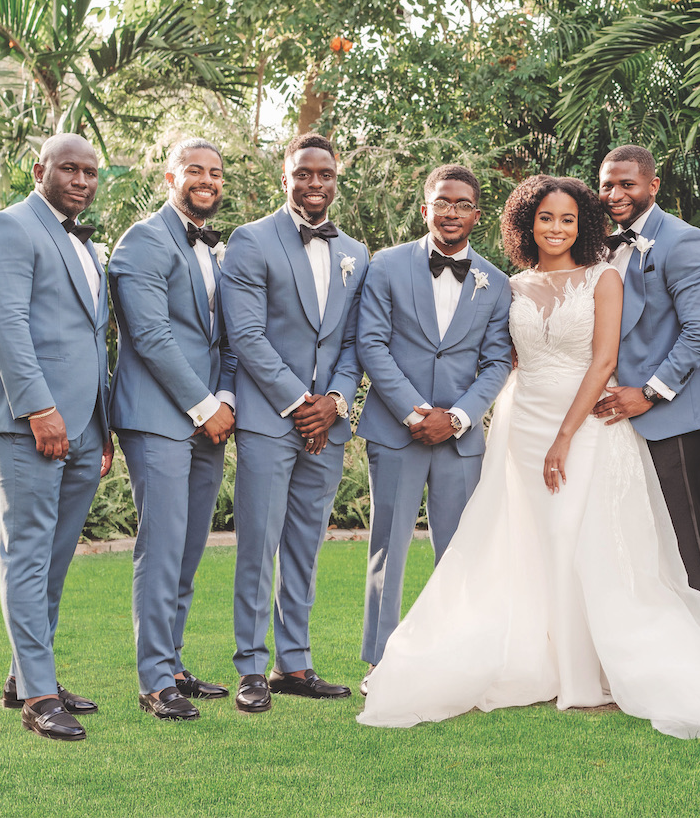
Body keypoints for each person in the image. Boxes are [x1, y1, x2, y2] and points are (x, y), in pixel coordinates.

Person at [357, 175, 700, 739]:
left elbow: (603, 361)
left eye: (567, 219)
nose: (556, 228)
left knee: (580, 536)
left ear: (582, 225)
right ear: (525, 223)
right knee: (526, 538)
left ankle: (592, 666)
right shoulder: (508, 285)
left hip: (585, 424)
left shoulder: (603, 279)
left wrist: (564, 435)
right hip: (520, 420)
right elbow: (500, 355)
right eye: (545, 218)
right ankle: (536, 659)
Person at [0, 133, 114, 741]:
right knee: (28, 552)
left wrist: (99, 428)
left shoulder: (81, 240)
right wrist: (40, 410)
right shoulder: (7, 229)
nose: (81, 180)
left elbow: (89, 341)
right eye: (70, 169)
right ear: (40, 170)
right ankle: (37, 696)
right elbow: (8, 327)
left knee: (54, 557)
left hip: (84, 426)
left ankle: (25, 675)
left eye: (90, 172)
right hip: (28, 422)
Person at [219, 132, 367, 712]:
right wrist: (298, 402)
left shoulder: (356, 251)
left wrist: (334, 400)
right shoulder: (250, 241)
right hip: (268, 420)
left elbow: (356, 340)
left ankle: (295, 664)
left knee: (305, 545)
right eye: (304, 173)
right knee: (258, 545)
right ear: (286, 177)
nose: (315, 183)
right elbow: (246, 336)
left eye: (325, 175)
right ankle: (251, 669)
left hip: (326, 425)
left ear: (335, 181)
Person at [356, 165, 512, 695]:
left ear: (476, 214)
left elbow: (496, 362)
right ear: (425, 208)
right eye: (442, 202)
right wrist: (415, 412)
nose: (451, 212)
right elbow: (371, 343)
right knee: (389, 547)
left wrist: (460, 416)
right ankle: (380, 662)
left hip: (461, 438)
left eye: (462, 204)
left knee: (460, 551)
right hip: (396, 429)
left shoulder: (497, 283)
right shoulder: (387, 265)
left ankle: (457, 659)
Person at [108, 138, 237, 720]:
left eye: (215, 172)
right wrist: (205, 405)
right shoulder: (143, 239)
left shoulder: (217, 249)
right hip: (159, 416)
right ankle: (154, 679)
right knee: (161, 546)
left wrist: (224, 399)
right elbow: (151, 337)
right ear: (170, 177)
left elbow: (225, 338)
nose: (206, 180)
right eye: (195, 171)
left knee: (187, 548)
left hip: (209, 419)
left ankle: (175, 663)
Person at [592, 146, 700, 612]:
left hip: (669, 415)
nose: (615, 193)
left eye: (627, 184)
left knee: (684, 539)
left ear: (653, 186)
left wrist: (649, 392)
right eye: (607, 184)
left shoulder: (683, 240)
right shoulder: (598, 244)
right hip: (609, 420)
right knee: (629, 541)